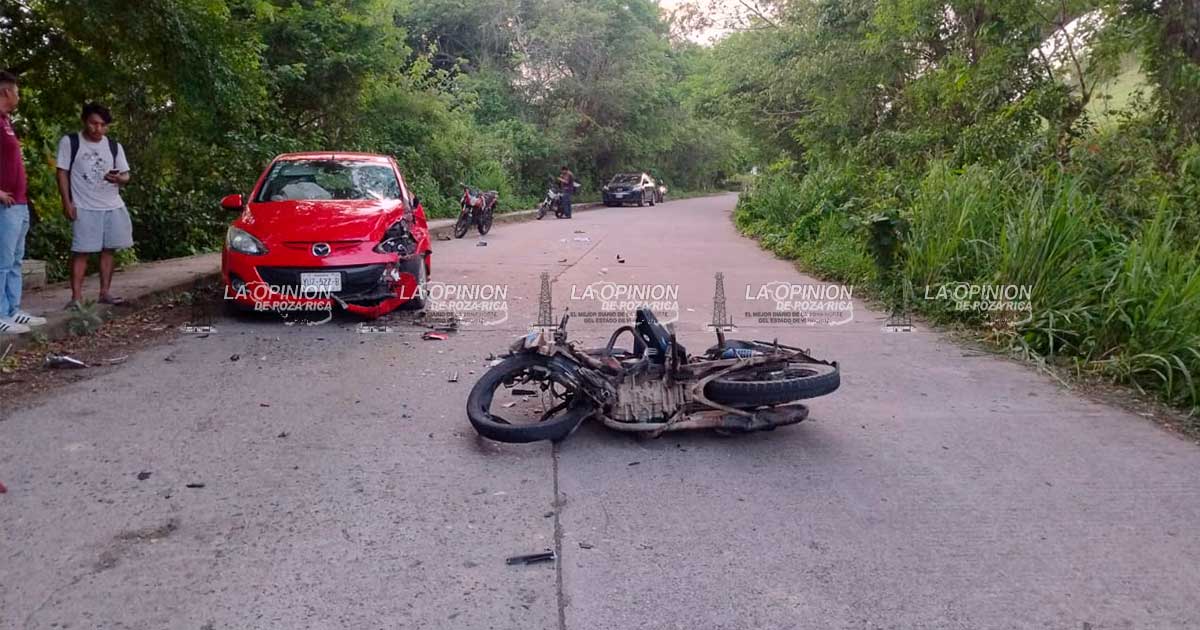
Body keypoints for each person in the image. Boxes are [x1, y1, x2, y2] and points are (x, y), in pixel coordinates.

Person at [56, 102, 134, 309]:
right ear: (85, 121)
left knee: (109, 250)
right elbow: (62, 172)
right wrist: (67, 202)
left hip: (111, 204)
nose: (97, 129)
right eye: (93, 123)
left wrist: (119, 179)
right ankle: (76, 298)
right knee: (81, 251)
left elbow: (126, 174)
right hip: (84, 205)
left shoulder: (113, 146)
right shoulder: (70, 142)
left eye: (102, 125)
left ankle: (105, 292)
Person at [0, 71, 47, 335]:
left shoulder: (7, 121)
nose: (18, 96)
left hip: (18, 202)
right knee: (2, 261)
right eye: (17, 91)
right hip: (4, 204)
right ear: (6, 92)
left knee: (15, 259)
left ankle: (12, 309)